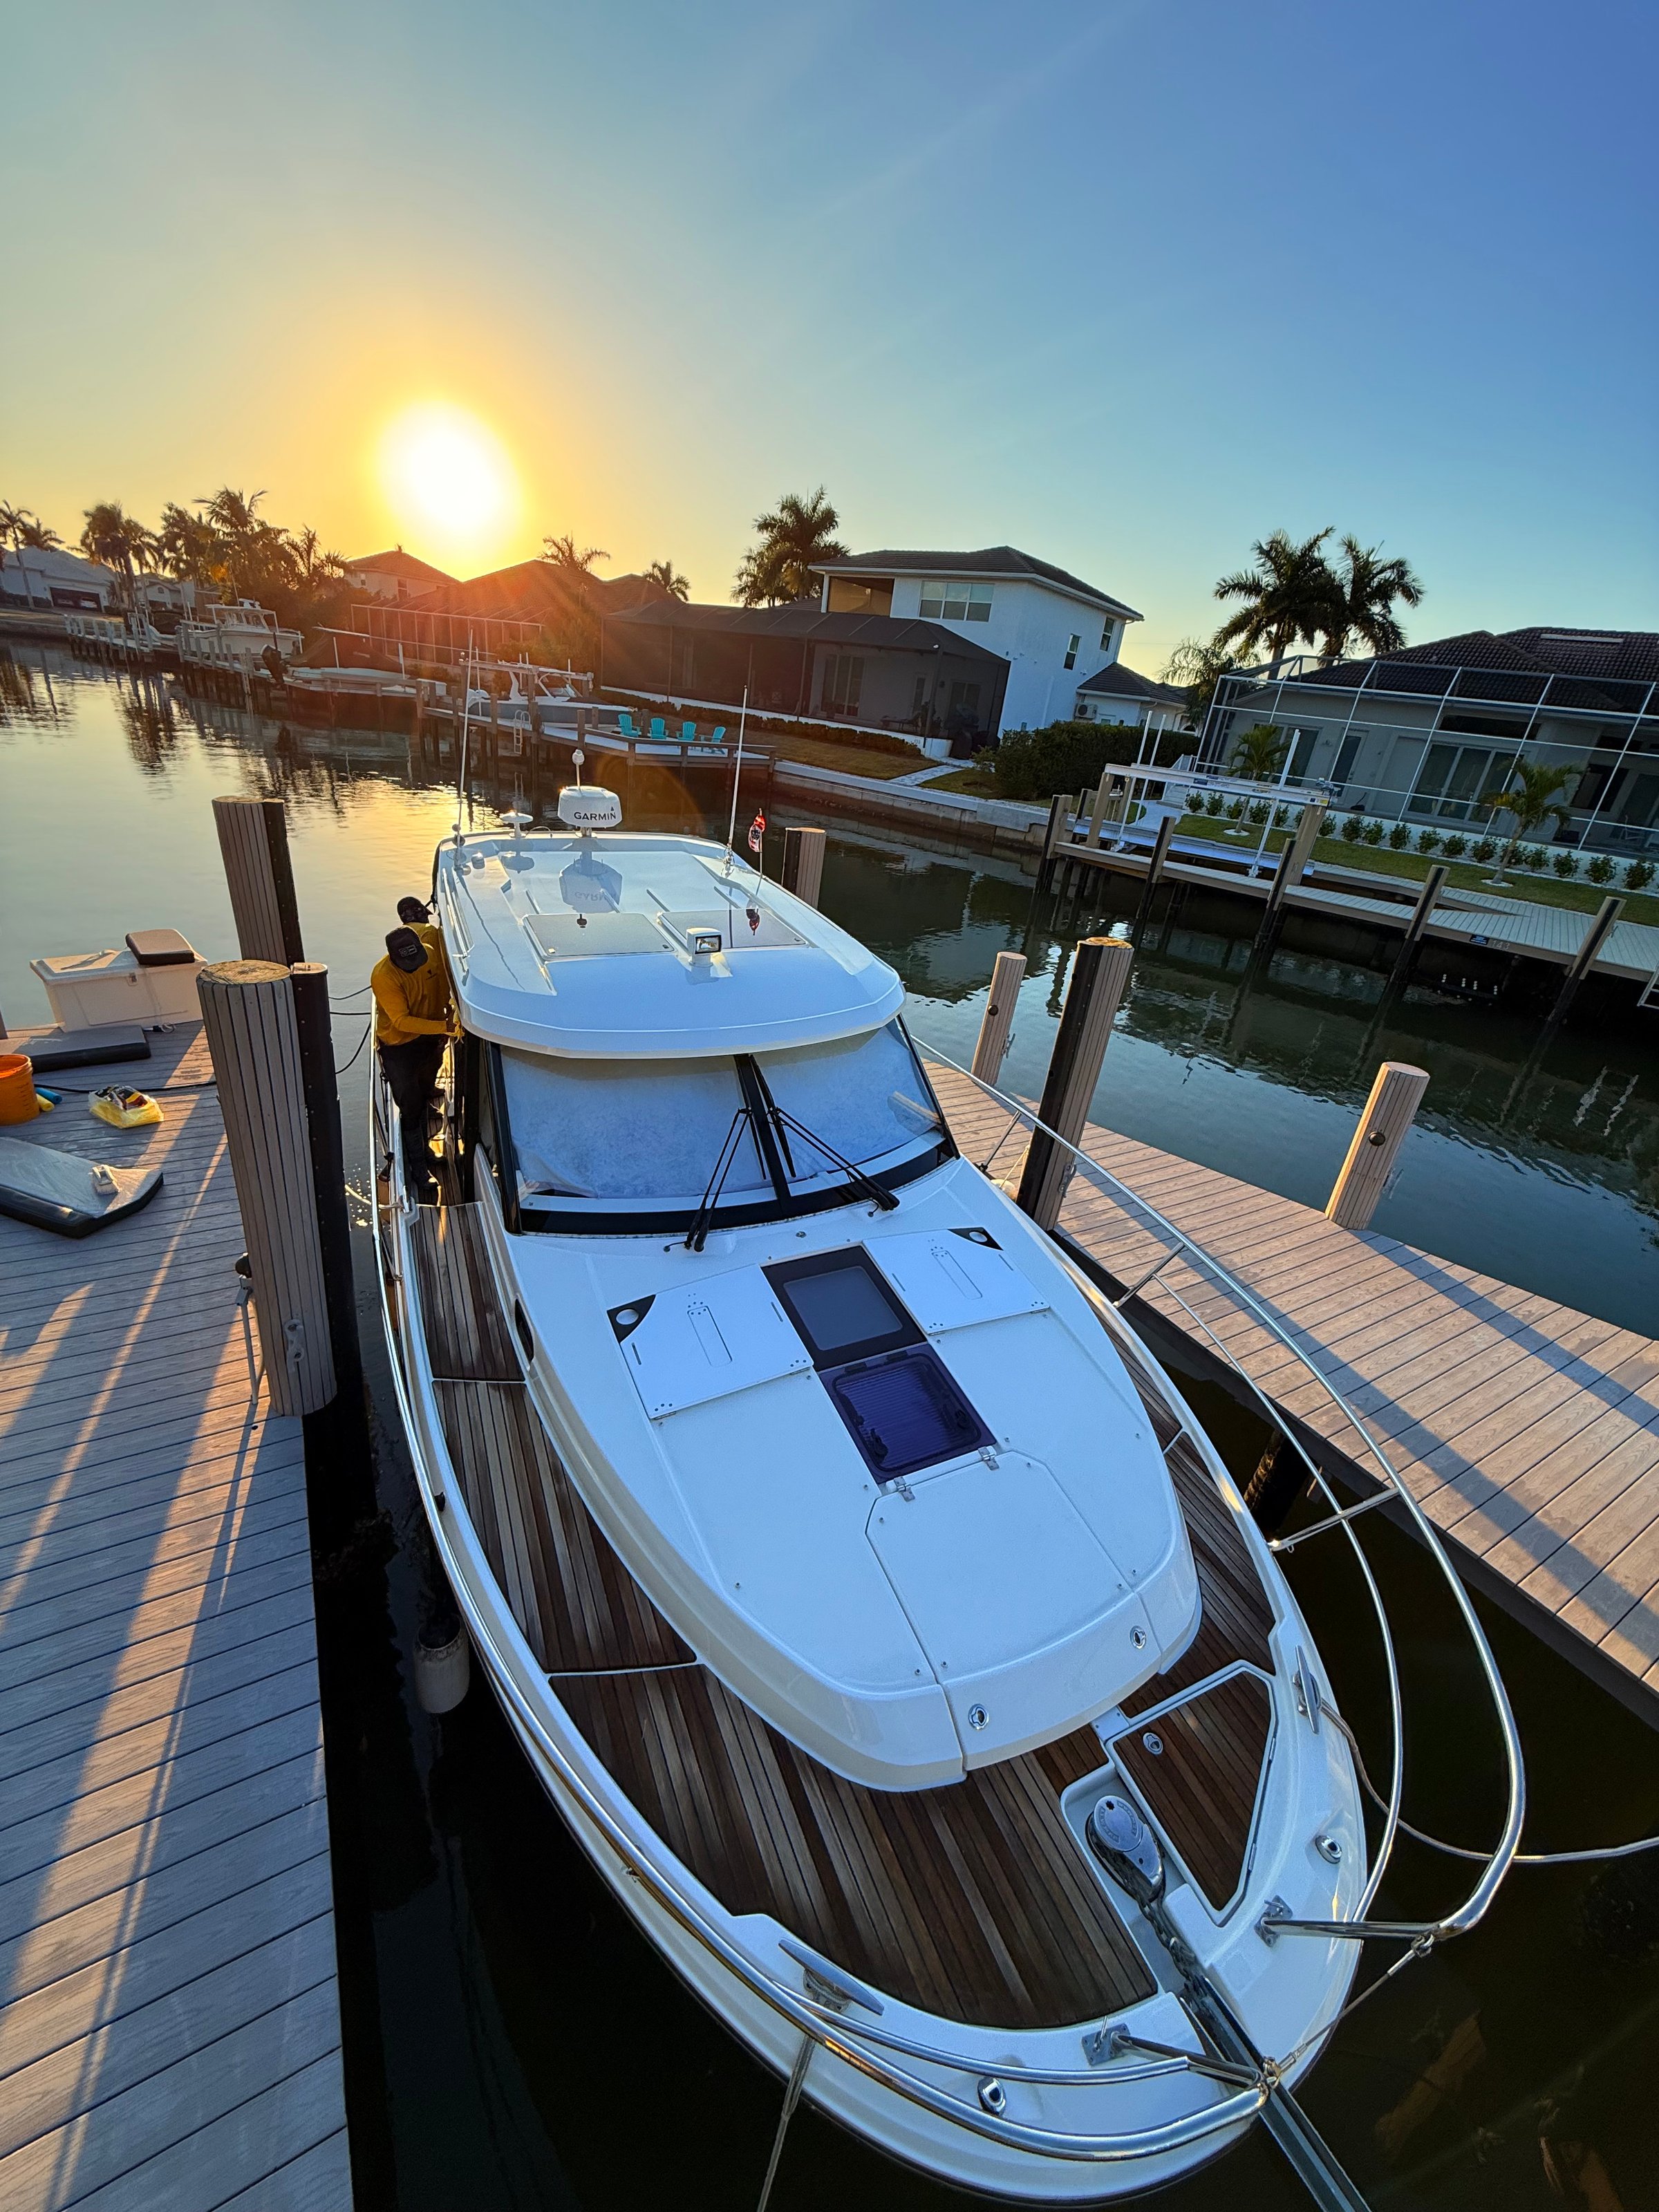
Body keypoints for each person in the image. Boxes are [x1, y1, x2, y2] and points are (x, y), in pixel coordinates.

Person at [372, 926, 455, 1199]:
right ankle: (419, 1166)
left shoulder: (429, 954)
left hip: (429, 1038)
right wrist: (445, 1026)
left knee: (426, 1088)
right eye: (405, 964)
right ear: (392, 958)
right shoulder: (383, 976)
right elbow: (401, 1021)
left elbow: (441, 988)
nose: (412, 967)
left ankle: (427, 1148)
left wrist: (448, 1015)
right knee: (410, 1105)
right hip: (399, 1047)